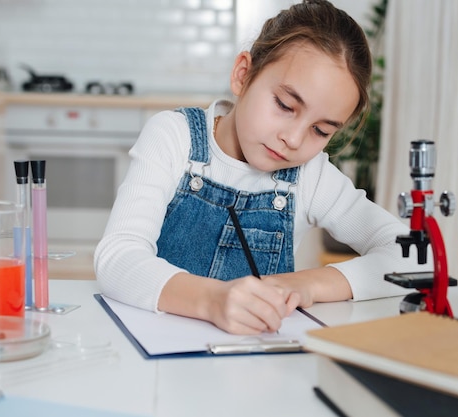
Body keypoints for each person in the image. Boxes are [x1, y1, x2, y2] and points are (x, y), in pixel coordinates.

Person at [95, 0, 427, 335]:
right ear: (243, 74)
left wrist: (307, 284)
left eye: (320, 130)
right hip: (157, 358)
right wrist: (213, 300)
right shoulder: (174, 137)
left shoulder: (310, 176)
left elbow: (418, 258)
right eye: (285, 105)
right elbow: (117, 259)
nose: (294, 140)